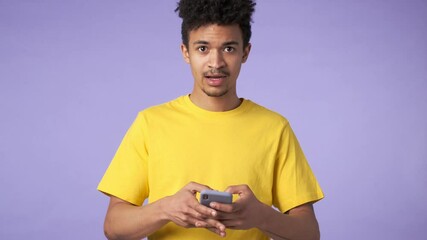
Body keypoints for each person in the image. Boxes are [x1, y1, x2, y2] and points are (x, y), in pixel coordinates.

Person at [98, 0, 324, 239]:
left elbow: (309, 232)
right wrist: (165, 209)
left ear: (245, 52)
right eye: (203, 48)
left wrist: (261, 216)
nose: (215, 63)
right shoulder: (150, 123)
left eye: (228, 48)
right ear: (186, 52)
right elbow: (113, 227)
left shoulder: (275, 128)